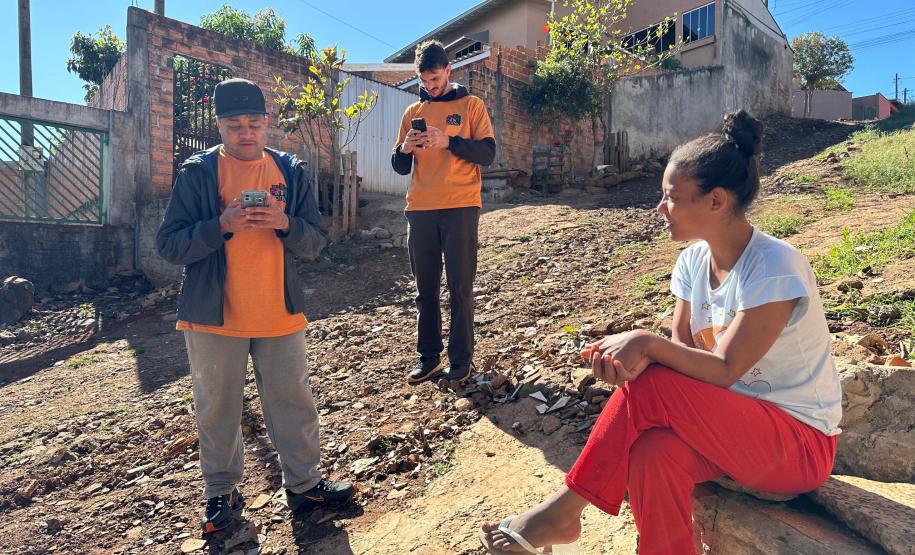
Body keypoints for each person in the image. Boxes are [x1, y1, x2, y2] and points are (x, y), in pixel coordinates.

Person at [480, 110, 843, 555]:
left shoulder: (774, 267)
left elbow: (725, 369)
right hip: (726, 432)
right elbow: (684, 361)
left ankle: (564, 513)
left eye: (672, 197)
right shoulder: (693, 262)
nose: (660, 208)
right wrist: (631, 362)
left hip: (798, 446)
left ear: (716, 201)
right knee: (652, 451)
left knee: (654, 383)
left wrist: (647, 345)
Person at [157, 78, 354, 534]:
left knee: (294, 402)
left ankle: (305, 486)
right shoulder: (198, 174)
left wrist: (285, 223)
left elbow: (315, 241)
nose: (245, 133)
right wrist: (219, 225)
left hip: (279, 312)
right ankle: (221, 495)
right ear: (220, 128)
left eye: (253, 123)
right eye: (233, 125)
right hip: (212, 317)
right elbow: (169, 245)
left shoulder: (289, 170)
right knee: (216, 410)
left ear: (268, 123)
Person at [391, 40, 496, 385]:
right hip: (420, 208)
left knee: (460, 286)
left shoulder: (472, 105)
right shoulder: (412, 113)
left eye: (435, 79)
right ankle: (429, 357)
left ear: (449, 71)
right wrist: (405, 148)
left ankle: (461, 359)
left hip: (460, 206)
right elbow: (399, 166)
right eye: (424, 81)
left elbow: (487, 153)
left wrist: (448, 141)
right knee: (425, 288)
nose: (430, 87)